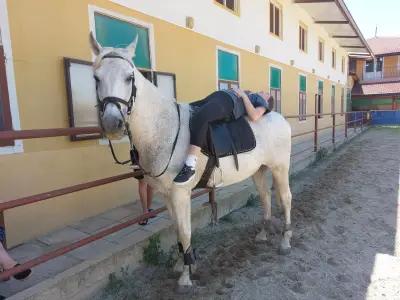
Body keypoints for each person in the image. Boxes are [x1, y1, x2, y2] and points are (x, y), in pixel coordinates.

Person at [174, 88, 272, 185]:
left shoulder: (263, 104)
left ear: (268, 100)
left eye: (266, 93)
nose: (263, 91)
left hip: (229, 101)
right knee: (186, 109)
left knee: (202, 117)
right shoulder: (253, 96)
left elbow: (254, 116)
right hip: (217, 96)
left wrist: (243, 95)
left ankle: (190, 166)